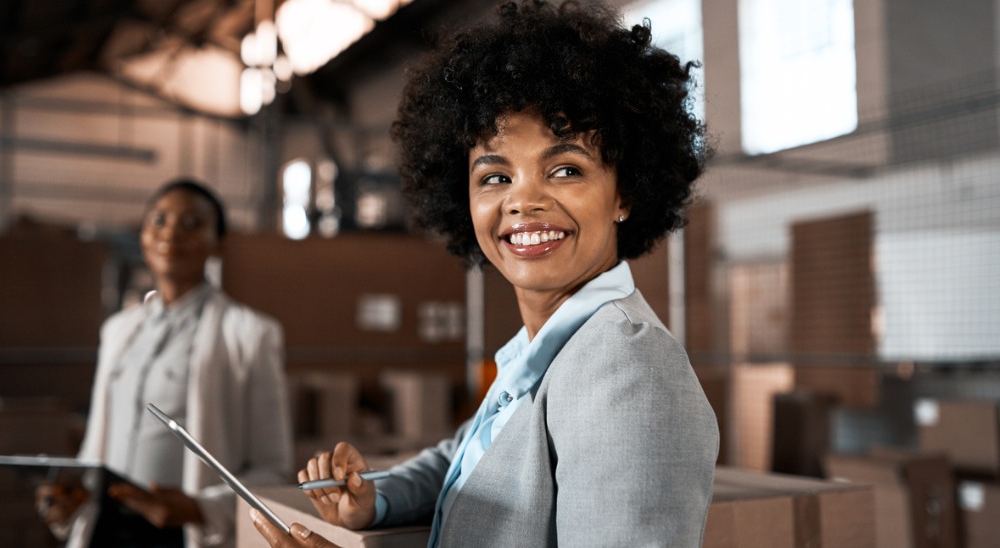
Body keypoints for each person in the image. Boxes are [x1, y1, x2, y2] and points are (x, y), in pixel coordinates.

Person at [252, 0, 719, 546]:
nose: (524, 202)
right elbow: (473, 455)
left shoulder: (631, 372)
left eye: (565, 169)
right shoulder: (546, 347)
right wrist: (377, 495)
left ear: (626, 193)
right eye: (495, 176)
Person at [38, 179, 294, 548]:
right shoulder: (118, 332)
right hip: (104, 530)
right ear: (142, 235)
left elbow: (274, 470)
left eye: (191, 224)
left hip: (181, 535)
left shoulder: (251, 335)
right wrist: (70, 495)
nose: (171, 232)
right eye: (159, 220)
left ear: (219, 242)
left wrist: (199, 509)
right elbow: (96, 445)